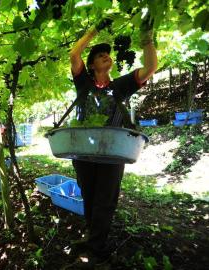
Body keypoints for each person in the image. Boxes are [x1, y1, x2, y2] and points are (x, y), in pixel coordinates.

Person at [69, 15, 157, 268]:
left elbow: (150, 66)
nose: (106, 56)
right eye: (100, 55)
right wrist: (95, 29)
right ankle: (94, 238)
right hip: (84, 151)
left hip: (112, 152)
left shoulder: (121, 86)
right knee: (90, 196)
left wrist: (147, 40)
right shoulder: (84, 83)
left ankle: (97, 247)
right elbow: (74, 54)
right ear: (92, 64)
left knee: (105, 200)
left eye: (108, 54)